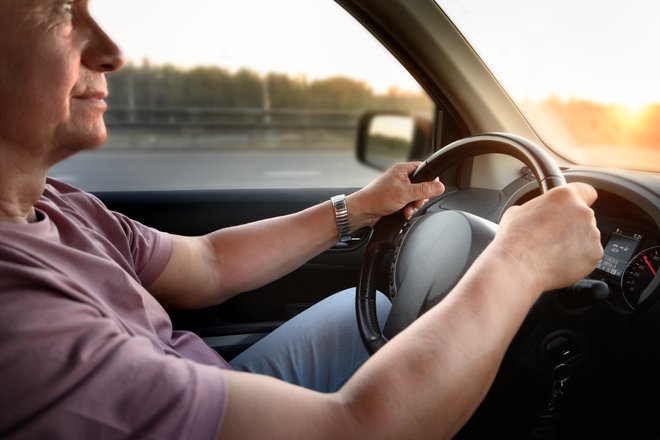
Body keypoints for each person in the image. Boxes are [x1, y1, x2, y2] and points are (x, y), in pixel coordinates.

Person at [0, 1, 603, 439]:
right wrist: (519, 261)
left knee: (354, 315)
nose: (110, 51)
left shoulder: (59, 206)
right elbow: (356, 431)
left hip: (185, 379)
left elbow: (206, 264)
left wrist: (359, 208)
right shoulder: (21, 321)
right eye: (60, 12)